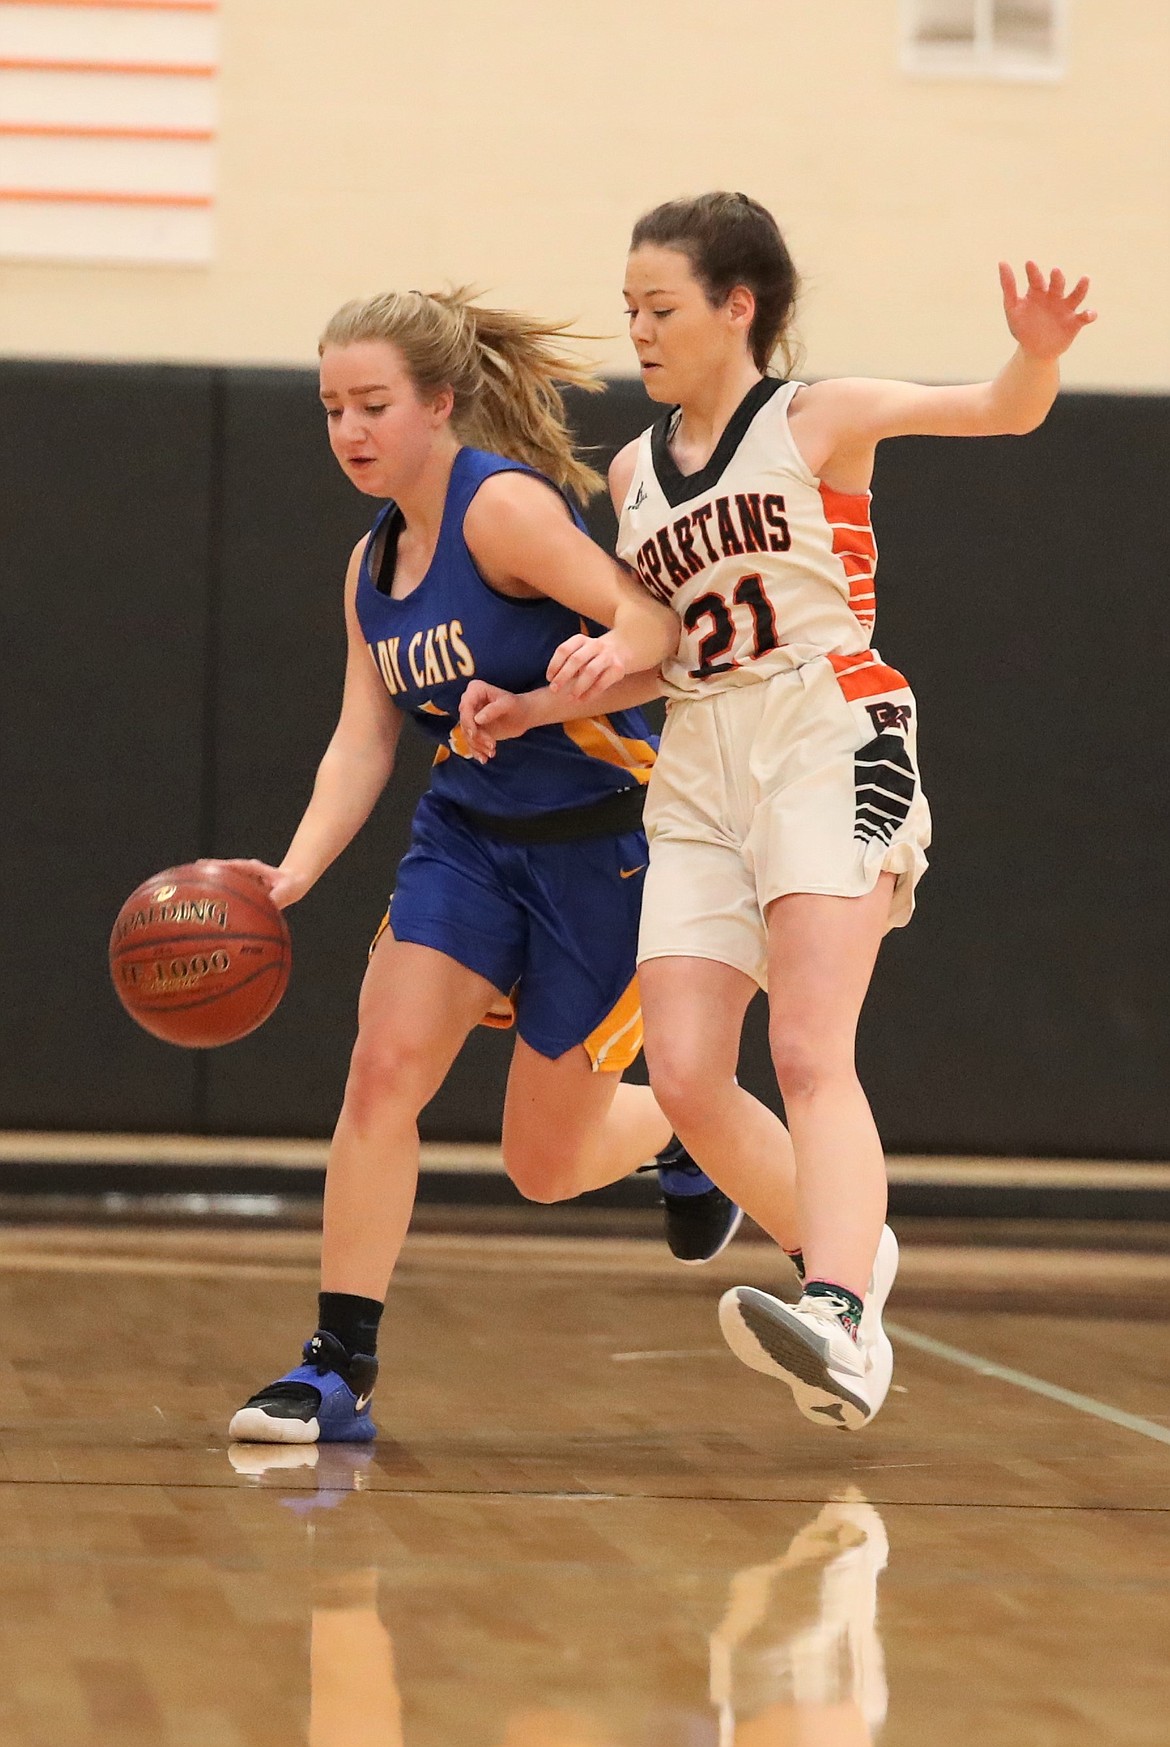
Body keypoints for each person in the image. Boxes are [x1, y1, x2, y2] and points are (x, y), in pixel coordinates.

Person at [460, 193, 1096, 1431]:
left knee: (807, 1048)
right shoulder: (638, 470)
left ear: (736, 308)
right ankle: (847, 1249)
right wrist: (540, 704)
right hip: (700, 758)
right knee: (690, 1077)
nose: (636, 330)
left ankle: (845, 1315)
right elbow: (669, 652)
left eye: (661, 307)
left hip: (825, 729)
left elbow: (995, 411)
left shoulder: (818, 417)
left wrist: (1036, 353)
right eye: (630, 307)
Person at [227, 286, 743, 1446]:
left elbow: (660, 637)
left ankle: (667, 1126)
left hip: (604, 846)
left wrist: (559, 692)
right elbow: (364, 736)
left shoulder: (502, 511)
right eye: (330, 411)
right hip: (464, 844)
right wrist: (296, 869)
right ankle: (338, 1365)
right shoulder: (370, 570)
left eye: (372, 404)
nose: (350, 431)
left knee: (544, 1165)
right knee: (382, 1072)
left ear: (439, 403)